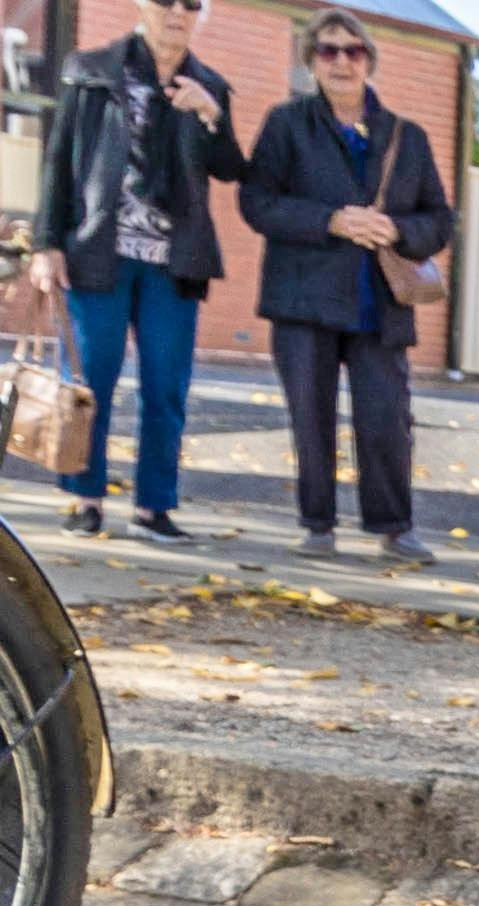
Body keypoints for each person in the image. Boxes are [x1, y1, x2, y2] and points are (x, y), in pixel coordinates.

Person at [238, 8, 448, 563]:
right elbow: (257, 203)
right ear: (311, 61)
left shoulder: (408, 136)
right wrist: (329, 220)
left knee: (386, 419)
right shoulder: (286, 125)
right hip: (303, 300)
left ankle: (395, 528)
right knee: (311, 417)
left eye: (352, 51)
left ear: (369, 62)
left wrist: (398, 228)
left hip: (378, 306)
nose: (340, 61)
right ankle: (317, 524)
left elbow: (440, 221)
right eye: (327, 50)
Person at [30, 0, 243, 544]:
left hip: (174, 263)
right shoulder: (91, 70)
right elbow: (60, 160)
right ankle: (85, 498)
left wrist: (208, 113)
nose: (177, 12)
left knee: (166, 387)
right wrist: (46, 243)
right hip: (99, 252)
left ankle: (154, 507)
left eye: (191, 4)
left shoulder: (210, 85)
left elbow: (231, 167)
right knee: (89, 382)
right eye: (165, 1)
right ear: (141, 6)